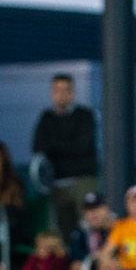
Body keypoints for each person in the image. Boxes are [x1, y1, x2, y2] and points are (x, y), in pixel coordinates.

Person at [33, 73, 100, 238]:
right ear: (51, 93)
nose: (61, 94)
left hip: (82, 181)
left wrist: (54, 146)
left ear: (72, 93)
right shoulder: (46, 118)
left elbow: (82, 146)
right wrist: (68, 146)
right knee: (61, 232)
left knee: (88, 227)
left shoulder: (84, 115)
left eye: (66, 90)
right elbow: (37, 147)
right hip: (57, 185)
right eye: (57, 90)